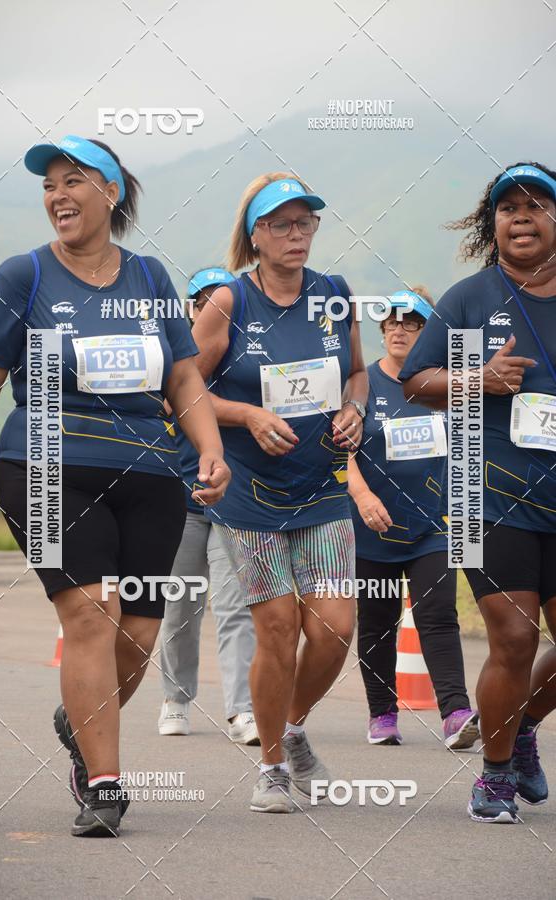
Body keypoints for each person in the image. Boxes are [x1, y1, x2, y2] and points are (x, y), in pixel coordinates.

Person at [0, 135, 229, 838]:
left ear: (111, 192)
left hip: (148, 473)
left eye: (73, 181)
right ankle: (104, 784)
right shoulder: (24, 278)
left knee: (137, 634)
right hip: (44, 465)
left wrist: (211, 450)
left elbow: (182, 377)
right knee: (89, 615)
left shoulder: (150, 277)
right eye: (49, 185)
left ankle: (77, 720)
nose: (57, 196)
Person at [191, 173, 368, 812]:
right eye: (282, 225)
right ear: (256, 235)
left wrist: (354, 409)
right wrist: (249, 417)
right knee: (277, 627)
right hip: (252, 497)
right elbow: (186, 390)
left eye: (306, 223)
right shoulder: (229, 302)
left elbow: (355, 372)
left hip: (321, 486)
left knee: (334, 628)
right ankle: (270, 765)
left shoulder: (335, 294)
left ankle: (290, 727)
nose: (297, 235)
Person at [401, 162, 556, 823]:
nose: (520, 215)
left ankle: (517, 728)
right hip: (482, 492)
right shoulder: (469, 300)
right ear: (491, 226)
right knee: (514, 638)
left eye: (535, 204)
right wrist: (480, 377)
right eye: (506, 207)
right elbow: (416, 380)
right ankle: (493, 775)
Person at [348, 289, 479, 749]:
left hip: (435, 527)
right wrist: (362, 496)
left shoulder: (444, 383)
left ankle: (456, 713)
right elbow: (339, 452)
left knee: (439, 614)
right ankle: (382, 714)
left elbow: (471, 446)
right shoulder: (362, 384)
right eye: (391, 322)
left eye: (413, 323)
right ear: (382, 331)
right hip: (373, 527)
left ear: (430, 334)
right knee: (376, 622)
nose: (400, 329)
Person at [158, 268, 258, 745]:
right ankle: (175, 699)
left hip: (236, 505)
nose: (206, 308)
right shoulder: (174, 370)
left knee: (237, 607)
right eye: (199, 301)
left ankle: (242, 709)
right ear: (189, 309)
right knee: (182, 605)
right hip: (182, 504)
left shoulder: (243, 370)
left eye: (215, 301)